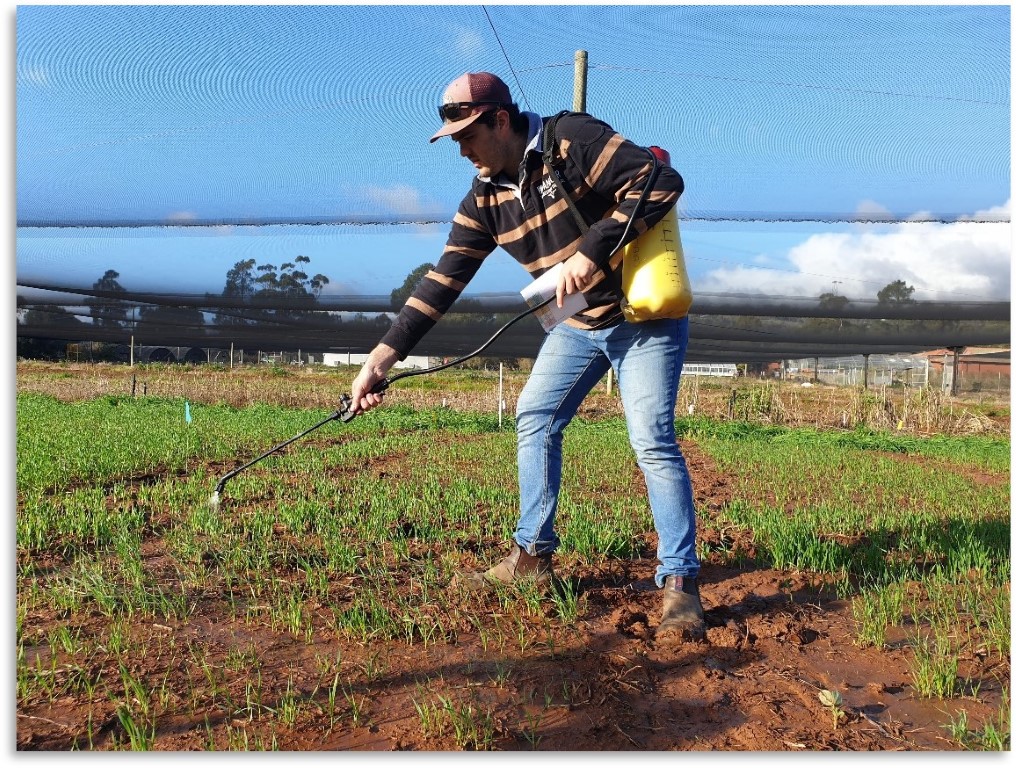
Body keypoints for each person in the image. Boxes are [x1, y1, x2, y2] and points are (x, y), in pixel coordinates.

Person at [349, 72, 704, 639]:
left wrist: (590, 254)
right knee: (535, 416)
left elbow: (660, 181)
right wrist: (382, 357)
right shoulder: (485, 198)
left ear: (500, 119)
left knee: (651, 441)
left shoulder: (572, 140)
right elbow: (443, 280)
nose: (462, 150)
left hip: (644, 319)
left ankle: (679, 584)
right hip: (577, 324)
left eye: (468, 135)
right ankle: (532, 560)